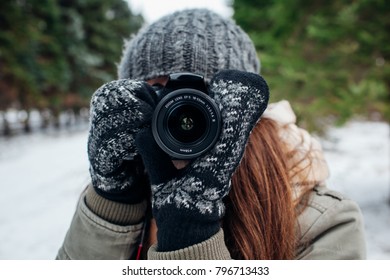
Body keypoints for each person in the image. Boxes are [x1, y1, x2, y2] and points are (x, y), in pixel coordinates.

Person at [56, 8, 366, 260]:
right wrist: (112, 203)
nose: (181, 115)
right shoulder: (126, 193)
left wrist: (191, 234)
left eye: (202, 96)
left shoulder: (323, 221)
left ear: (244, 109)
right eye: (160, 95)